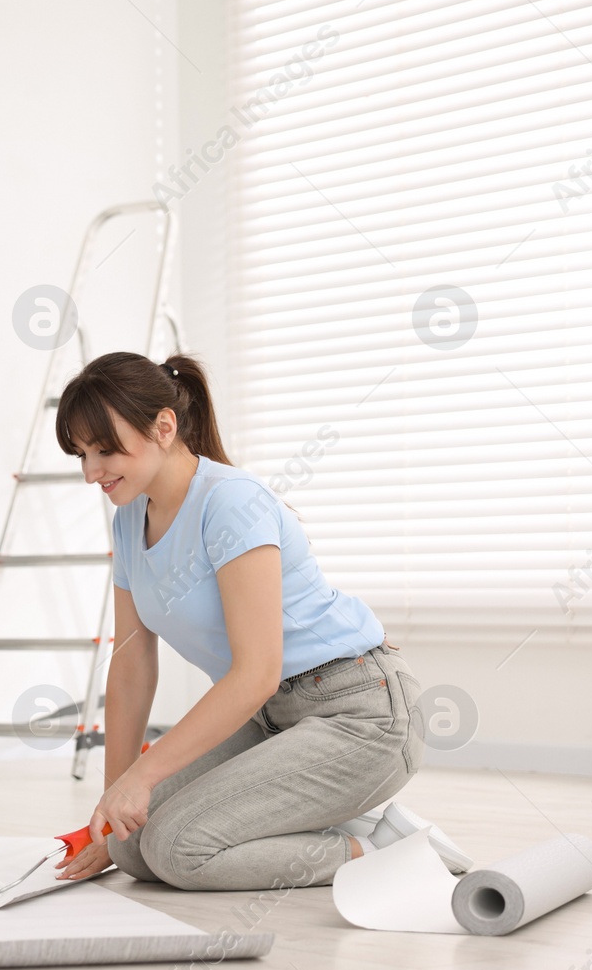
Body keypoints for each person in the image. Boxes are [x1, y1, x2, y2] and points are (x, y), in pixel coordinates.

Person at [52, 352, 471, 891]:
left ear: (163, 427)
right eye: (82, 454)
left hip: (360, 712)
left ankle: (387, 849)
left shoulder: (230, 503)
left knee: (178, 849)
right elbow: (131, 665)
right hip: (271, 719)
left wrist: (144, 777)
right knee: (133, 847)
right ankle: (328, 818)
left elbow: (256, 673)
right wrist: (112, 808)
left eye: (105, 450)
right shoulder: (130, 519)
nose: (91, 472)